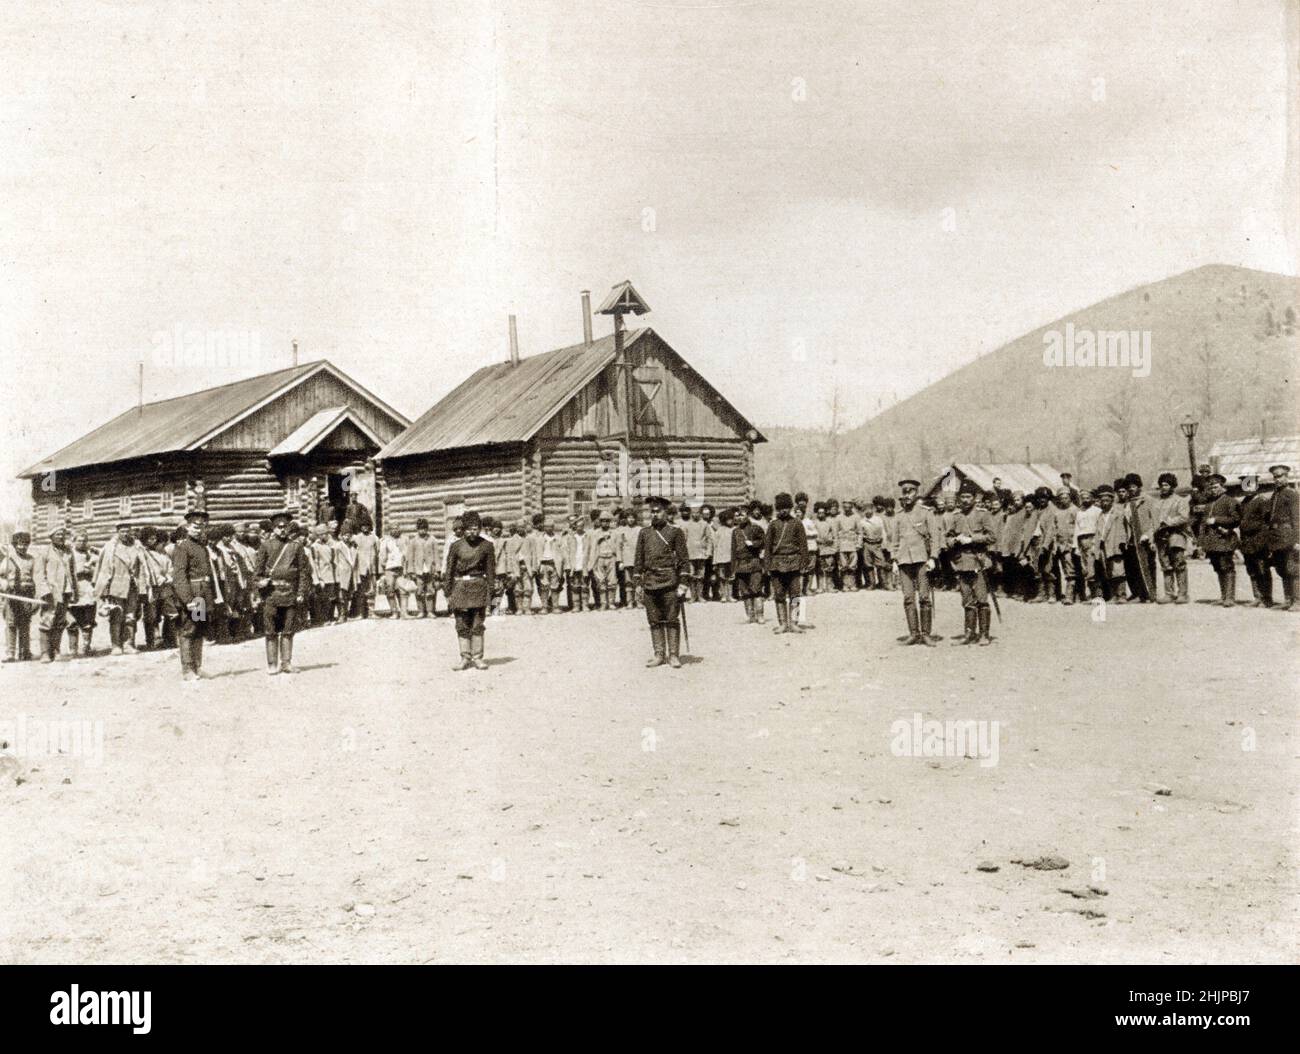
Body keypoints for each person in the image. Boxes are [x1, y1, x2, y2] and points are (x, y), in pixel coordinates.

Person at [633, 495, 692, 668]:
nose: (654, 514)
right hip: (650, 582)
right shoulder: (644, 533)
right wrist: (637, 583)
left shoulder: (675, 532)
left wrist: (683, 583)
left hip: (670, 582)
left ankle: (673, 655)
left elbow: (684, 560)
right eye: (652, 512)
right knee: (654, 620)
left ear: (666, 513)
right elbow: (638, 560)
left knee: (672, 619)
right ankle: (659, 654)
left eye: (658, 511)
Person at [254, 511, 311, 674]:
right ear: (273, 528)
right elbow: (257, 573)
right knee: (271, 631)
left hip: (290, 594)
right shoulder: (265, 546)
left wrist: (301, 592)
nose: (282, 529)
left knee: (288, 630)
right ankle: (272, 664)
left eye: (285, 526)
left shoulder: (296, 546)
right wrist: (260, 582)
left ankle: (286, 663)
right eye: (278, 527)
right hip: (271, 595)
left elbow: (303, 572)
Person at [888, 478, 940, 646]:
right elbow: (894, 541)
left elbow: (934, 537)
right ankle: (913, 633)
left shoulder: (926, 512)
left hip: (922, 560)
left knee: (924, 597)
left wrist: (933, 558)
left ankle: (926, 634)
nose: (907, 494)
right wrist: (894, 560)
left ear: (917, 493)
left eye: (910, 491)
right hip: (903, 561)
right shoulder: (898, 516)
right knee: (908, 598)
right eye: (905, 491)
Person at [945, 482, 996, 645]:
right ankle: (969, 633)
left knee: (981, 599)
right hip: (961, 562)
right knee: (967, 600)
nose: (965, 500)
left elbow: (992, 537)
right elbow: (947, 537)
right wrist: (954, 540)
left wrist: (971, 539)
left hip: (978, 561)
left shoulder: (983, 514)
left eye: (968, 497)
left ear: (975, 498)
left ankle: (984, 634)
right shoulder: (956, 516)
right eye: (963, 497)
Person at [170, 510, 218, 681]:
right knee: (189, 630)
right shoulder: (183, 548)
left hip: (203, 594)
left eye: (202, 526)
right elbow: (179, 577)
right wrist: (188, 600)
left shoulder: (202, 547)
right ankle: (187, 670)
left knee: (199, 630)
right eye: (195, 526)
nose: (199, 529)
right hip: (194, 594)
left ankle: (197, 667)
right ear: (187, 527)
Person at [445, 510, 496, 670]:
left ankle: (478, 657)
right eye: (468, 529)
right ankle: (465, 657)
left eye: (475, 528)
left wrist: (491, 590)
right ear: (463, 529)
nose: (472, 532)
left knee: (477, 623)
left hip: (479, 586)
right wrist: (448, 591)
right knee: (461, 623)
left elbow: (491, 570)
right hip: (460, 588)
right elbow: (450, 569)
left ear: (480, 528)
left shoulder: (487, 546)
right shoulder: (455, 546)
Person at [94, 521, 148, 655]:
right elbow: (103, 569)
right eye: (122, 531)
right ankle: (116, 645)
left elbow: (142, 568)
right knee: (117, 615)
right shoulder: (110, 548)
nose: (125, 534)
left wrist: (143, 586)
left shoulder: (136, 546)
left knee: (131, 616)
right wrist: (104, 589)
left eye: (128, 531)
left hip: (132, 586)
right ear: (117, 532)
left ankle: (128, 644)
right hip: (116, 586)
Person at [764, 492, 808, 634]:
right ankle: (782, 623)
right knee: (779, 594)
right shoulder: (773, 525)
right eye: (781, 508)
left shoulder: (797, 523)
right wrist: (767, 565)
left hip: (794, 563)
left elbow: (803, 545)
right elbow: (768, 546)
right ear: (777, 509)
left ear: (790, 508)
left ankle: (794, 623)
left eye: (786, 507)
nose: (783, 510)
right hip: (777, 564)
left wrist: (803, 563)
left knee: (795, 594)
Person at [33, 526, 76, 663]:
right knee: (47, 620)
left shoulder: (68, 552)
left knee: (60, 622)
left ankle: (56, 651)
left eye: (63, 535)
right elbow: (39, 574)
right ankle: (45, 653)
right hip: (51, 592)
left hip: (65, 591)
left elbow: (72, 572)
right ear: (51, 537)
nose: (61, 537)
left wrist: (74, 590)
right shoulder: (44, 552)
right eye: (57, 534)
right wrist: (45, 591)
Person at [1200, 474, 1240, 607]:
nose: (1213, 490)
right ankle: (1223, 596)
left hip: (1224, 540)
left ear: (1222, 487)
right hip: (1211, 542)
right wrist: (1201, 542)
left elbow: (1236, 519)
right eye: (1210, 487)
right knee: (1218, 568)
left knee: (1227, 567)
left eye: (1216, 487)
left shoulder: (1230, 501)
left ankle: (1230, 597)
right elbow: (1203, 523)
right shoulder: (1209, 504)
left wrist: (1217, 520)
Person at [1151, 472, 1190, 604]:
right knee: (1165, 565)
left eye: (1166, 485)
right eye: (1162, 485)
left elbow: (1184, 517)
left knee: (1179, 564)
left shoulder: (1180, 500)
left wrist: (1168, 521)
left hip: (1176, 535)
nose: (1164, 487)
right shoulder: (1157, 503)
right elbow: (1153, 521)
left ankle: (1183, 594)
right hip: (1161, 537)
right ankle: (1169, 593)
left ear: (1172, 486)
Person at [1266, 463, 1299, 610]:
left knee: (1294, 568)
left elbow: (1297, 518)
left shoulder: (1292, 494)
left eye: (1280, 476)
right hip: (1277, 537)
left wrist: (1298, 540)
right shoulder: (1275, 494)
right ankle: (1288, 599)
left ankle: (1298, 601)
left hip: (1288, 536)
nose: (1277, 479)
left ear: (1287, 476)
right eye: (1275, 477)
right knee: (1282, 569)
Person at [1238, 475, 1274, 607]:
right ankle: (1257, 596)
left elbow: (1266, 521)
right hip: (1247, 541)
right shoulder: (1243, 503)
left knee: (1262, 569)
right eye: (1245, 484)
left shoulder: (1262, 501)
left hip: (1260, 540)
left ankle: (1267, 598)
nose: (1248, 487)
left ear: (1256, 486)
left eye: (1250, 484)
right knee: (1251, 569)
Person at [1, 531, 36, 661]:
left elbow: (35, 577)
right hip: (12, 595)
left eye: (25, 544)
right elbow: (0, 576)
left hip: (27, 595)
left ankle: (25, 652)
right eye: (20, 544)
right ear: (15, 545)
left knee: (25, 623)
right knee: (11, 623)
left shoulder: (31, 559)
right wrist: (4, 584)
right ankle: (10, 653)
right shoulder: (8, 560)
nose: (22, 547)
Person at [732, 500, 766, 624]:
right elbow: (733, 551)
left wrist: (754, 544)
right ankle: (750, 616)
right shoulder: (735, 532)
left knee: (756, 589)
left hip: (753, 563)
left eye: (743, 514)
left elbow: (764, 541)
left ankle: (760, 615)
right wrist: (732, 568)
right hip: (740, 565)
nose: (741, 517)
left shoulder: (756, 528)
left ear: (748, 515)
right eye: (739, 515)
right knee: (745, 591)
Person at [67, 530, 99, 656]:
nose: (82, 543)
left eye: (84, 540)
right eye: (79, 540)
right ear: (74, 541)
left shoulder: (90, 554)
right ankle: (73, 649)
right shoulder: (69, 554)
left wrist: (90, 569)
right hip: (74, 587)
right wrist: (78, 571)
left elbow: (97, 569)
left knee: (88, 620)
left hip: (88, 588)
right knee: (72, 620)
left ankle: (86, 647)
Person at [403, 518, 439, 618]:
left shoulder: (432, 540)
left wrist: (437, 570)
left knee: (430, 589)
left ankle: (430, 611)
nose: (422, 531)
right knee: (419, 590)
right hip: (418, 569)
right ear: (417, 529)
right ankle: (421, 611)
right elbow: (410, 557)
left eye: (424, 528)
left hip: (429, 568)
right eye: (420, 529)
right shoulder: (413, 541)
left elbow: (436, 555)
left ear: (427, 529)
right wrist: (411, 571)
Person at [591, 511, 621, 611]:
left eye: (607, 521)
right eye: (603, 521)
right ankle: (603, 603)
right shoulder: (596, 534)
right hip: (600, 558)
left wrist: (619, 561)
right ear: (600, 522)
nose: (605, 523)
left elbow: (618, 547)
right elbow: (593, 548)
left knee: (612, 581)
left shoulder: (615, 533)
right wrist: (593, 563)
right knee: (600, 581)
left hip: (611, 558)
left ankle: (611, 602)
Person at [378, 523, 406, 618]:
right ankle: (394, 611)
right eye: (393, 529)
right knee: (390, 590)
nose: (395, 530)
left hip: (401, 568)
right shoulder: (385, 541)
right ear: (390, 530)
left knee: (402, 590)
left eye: (396, 528)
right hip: (389, 568)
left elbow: (407, 553)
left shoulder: (404, 539)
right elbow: (382, 556)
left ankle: (403, 611)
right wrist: (382, 570)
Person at [352, 522, 378, 618]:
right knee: (361, 591)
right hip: (361, 568)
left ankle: (372, 612)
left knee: (372, 589)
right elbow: (353, 551)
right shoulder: (357, 538)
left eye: (366, 525)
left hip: (371, 568)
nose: (365, 528)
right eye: (363, 525)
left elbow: (377, 551)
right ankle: (362, 613)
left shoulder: (374, 538)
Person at [835, 499, 860, 590]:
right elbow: (836, 532)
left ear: (852, 507)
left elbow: (859, 532)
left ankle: (852, 584)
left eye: (849, 507)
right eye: (845, 507)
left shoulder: (856, 517)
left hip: (853, 544)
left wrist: (858, 544)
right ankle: (845, 585)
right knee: (844, 565)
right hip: (842, 544)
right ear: (843, 507)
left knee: (853, 565)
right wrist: (837, 545)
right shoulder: (839, 518)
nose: (847, 509)